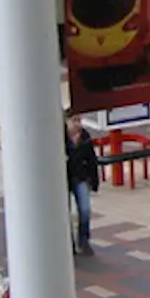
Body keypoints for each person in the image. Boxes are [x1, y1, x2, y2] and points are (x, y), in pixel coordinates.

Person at [64, 110, 100, 257]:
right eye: (74, 120)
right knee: (65, 213)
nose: (78, 124)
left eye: (79, 120)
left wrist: (94, 180)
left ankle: (84, 240)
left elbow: (92, 160)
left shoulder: (85, 137)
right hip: (65, 179)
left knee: (85, 209)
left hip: (81, 178)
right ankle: (69, 243)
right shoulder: (59, 138)